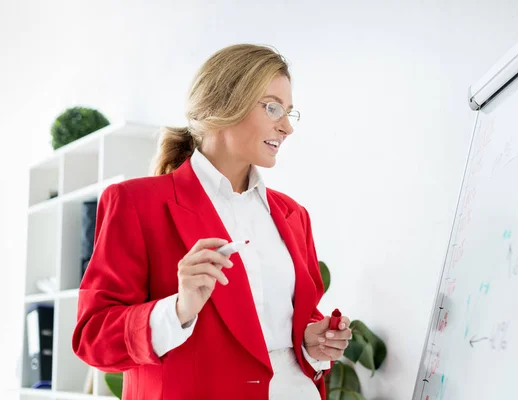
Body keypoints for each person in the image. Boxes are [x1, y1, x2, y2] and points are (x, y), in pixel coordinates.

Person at [72, 44, 352, 400]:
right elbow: (93, 339)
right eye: (272, 107)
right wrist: (178, 309)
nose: (286, 127)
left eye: (289, 113)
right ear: (224, 105)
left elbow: (291, 328)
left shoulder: (293, 216)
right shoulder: (136, 203)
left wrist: (313, 344)